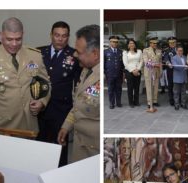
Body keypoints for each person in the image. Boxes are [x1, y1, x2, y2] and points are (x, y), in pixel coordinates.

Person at [0, 17, 51, 135]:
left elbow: (45, 84)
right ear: (1, 35)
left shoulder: (35, 56)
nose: (14, 44)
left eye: (18, 39)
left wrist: (41, 101)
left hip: (29, 127)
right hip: (2, 128)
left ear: (23, 34)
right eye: (9, 39)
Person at [37, 21, 81, 167]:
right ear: (51, 35)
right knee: (39, 147)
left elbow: (79, 85)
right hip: (39, 111)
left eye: (64, 36)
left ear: (68, 37)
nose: (60, 39)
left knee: (59, 148)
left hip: (61, 111)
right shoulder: (39, 53)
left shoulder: (75, 55)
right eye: (57, 35)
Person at [58, 24, 100, 163]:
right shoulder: (86, 70)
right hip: (81, 147)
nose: (75, 55)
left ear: (95, 54)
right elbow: (78, 104)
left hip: (95, 153)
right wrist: (66, 126)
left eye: (79, 52)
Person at [104, 35, 124, 109]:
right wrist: (105, 73)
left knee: (119, 89)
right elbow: (103, 64)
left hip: (119, 74)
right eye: (113, 42)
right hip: (110, 74)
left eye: (116, 42)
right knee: (111, 89)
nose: (115, 43)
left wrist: (123, 73)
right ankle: (111, 103)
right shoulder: (105, 52)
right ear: (110, 42)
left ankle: (118, 102)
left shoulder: (121, 52)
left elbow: (122, 64)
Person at [143, 37, 162, 110]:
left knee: (156, 87)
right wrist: (154, 64)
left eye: (156, 43)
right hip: (149, 71)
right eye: (153, 43)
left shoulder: (159, 51)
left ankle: (155, 101)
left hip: (157, 71)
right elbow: (146, 61)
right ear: (150, 43)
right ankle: (149, 102)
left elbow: (160, 61)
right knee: (149, 87)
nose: (155, 44)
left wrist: (161, 71)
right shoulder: (146, 50)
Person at [122, 39, 143, 107]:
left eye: (133, 43)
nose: (131, 44)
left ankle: (136, 102)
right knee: (130, 88)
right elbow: (125, 63)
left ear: (135, 44)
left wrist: (137, 69)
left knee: (137, 87)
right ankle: (131, 102)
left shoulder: (139, 51)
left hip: (137, 71)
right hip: (129, 71)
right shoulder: (125, 52)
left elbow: (141, 61)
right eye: (130, 43)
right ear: (128, 45)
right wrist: (132, 71)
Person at [170, 46, 188, 110]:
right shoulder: (174, 58)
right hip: (177, 78)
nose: (180, 52)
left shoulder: (185, 57)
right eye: (179, 51)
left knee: (183, 92)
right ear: (176, 51)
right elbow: (176, 66)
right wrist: (185, 67)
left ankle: (183, 104)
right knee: (176, 92)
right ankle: (176, 104)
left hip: (184, 77)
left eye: (181, 50)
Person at [161, 36, 177, 105]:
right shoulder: (166, 50)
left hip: (178, 70)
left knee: (177, 84)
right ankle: (171, 99)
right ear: (168, 43)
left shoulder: (179, 49)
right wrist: (168, 63)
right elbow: (165, 58)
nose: (172, 44)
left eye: (173, 42)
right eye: (170, 43)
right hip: (170, 70)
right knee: (170, 85)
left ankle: (178, 98)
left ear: (176, 42)